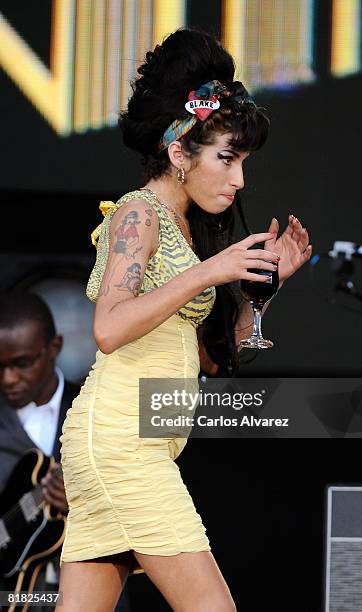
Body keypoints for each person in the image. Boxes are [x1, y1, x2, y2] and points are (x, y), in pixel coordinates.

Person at [58, 28, 312, 611]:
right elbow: (109, 329)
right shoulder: (136, 215)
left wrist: (264, 293)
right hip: (122, 442)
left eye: (243, 161)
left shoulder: (185, 232)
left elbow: (207, 361)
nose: (239, 179)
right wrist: (210, 272)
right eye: (227, 158)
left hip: (132, 438)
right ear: (179, 153)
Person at [0, 290, 76, 609]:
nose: (7, 379)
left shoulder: (99, 409)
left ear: (54, 348)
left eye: (22, 363)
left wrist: (88, 499)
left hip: (89, 594)